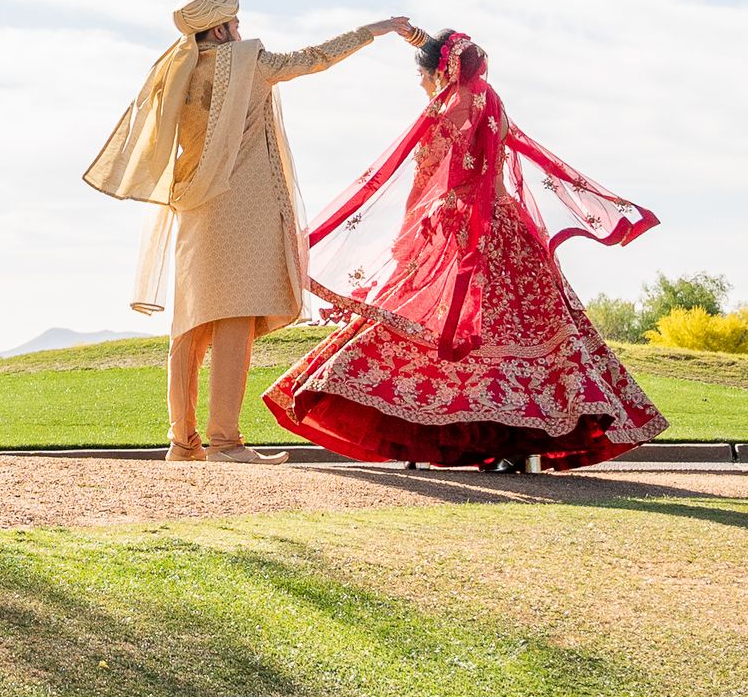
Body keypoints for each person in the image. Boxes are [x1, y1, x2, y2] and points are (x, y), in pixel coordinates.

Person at [265, 29, 666, 473]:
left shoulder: (445, 108)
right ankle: (516, 446)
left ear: (439, 70)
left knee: (429, 323)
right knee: (519, 332)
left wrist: (407, 237)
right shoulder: (493, 102)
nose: (421, 86)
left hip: (457, 230)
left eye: (422, 77)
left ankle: (421, 437)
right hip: (507, 228)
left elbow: (425, 176)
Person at [85, 0, 420, 461]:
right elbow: (314, 58)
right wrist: (377, 28)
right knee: (234, 319)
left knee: (191, 323)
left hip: (194, 203)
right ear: (219, 30)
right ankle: (225, 441)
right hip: (243, 203)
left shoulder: (178, 69)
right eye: (235, 23)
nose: (241, 30)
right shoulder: (249, 63)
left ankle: (183, 442)